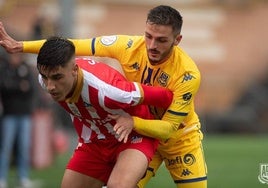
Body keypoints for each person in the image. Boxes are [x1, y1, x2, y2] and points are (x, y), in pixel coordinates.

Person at [0, 5, 207, 188]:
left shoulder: (188, 74)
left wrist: (132, 122)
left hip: (177, 137)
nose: (152, 46)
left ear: (177, 40)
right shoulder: (128, 47)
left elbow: (169, 128)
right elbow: (74, 46)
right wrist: (21, 46)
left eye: (161, 40)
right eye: (148, 36)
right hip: (139, 131)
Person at [0, 52, 38, 188]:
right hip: (9, 114)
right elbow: (4, 87)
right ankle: (2, 178)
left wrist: (16, 87)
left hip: (25, 114)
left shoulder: (26, 68)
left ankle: (23, 177)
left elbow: (31, 88)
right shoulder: (5, 69)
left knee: (24, 147)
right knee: (6, 147)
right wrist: (19, 86)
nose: (15, 58)